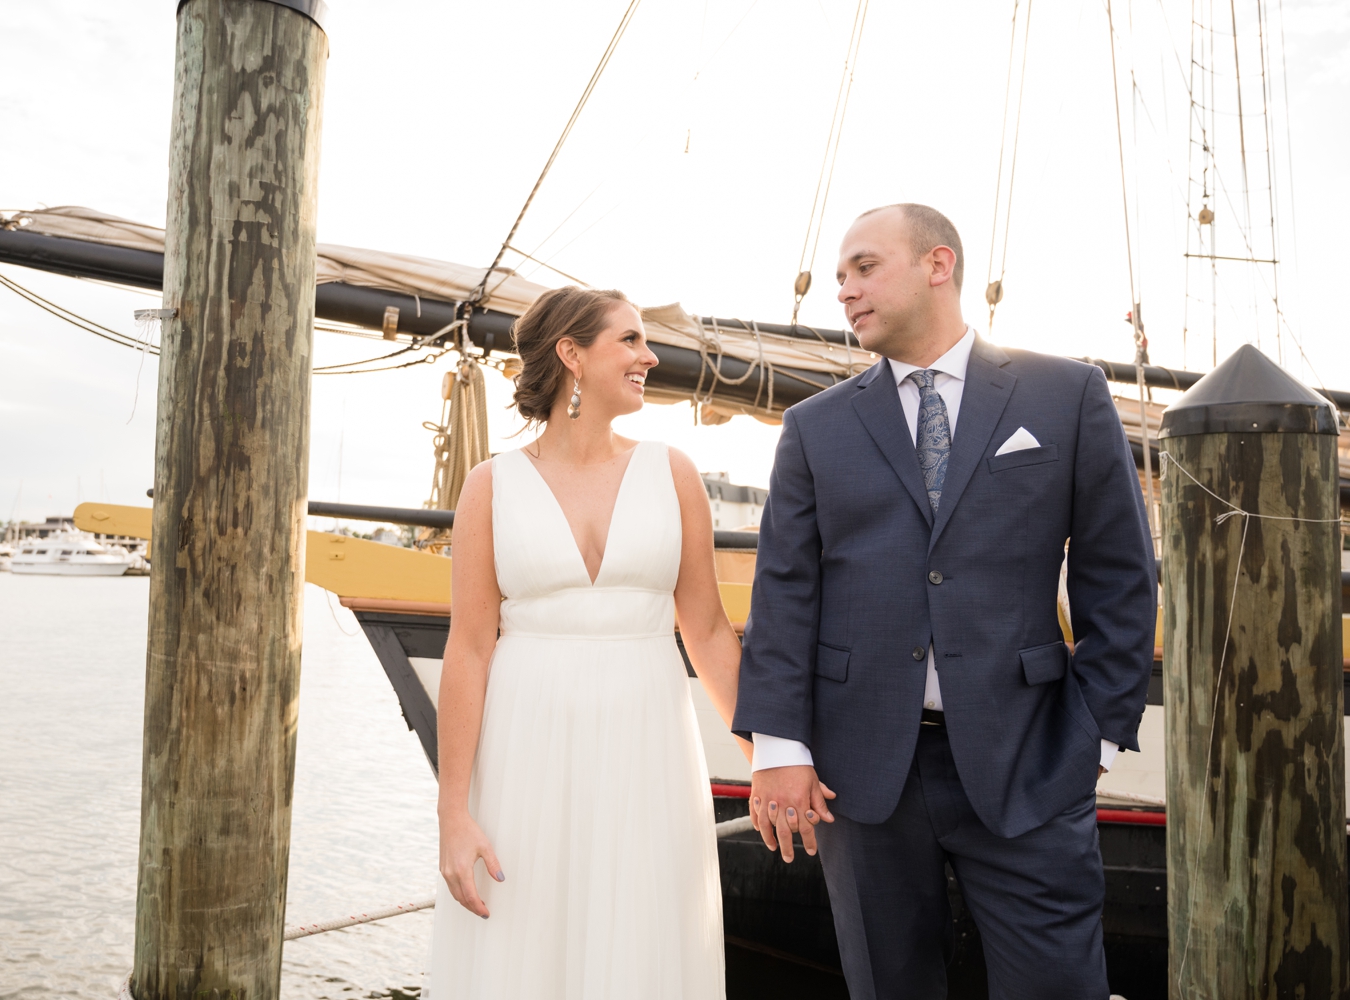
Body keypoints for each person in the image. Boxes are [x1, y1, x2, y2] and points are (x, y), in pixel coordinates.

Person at [733, 204, 1156, 999]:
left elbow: (1121, 576)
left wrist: (1095, 738)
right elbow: (786, 593)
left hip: (1031, 758)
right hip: (858, 777)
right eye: (838, 279)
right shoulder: (814, 428)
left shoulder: (1066, 395)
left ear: (938, 264)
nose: (845, 292)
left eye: (864, 268)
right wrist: (778, 748)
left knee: (1058, 988)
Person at [430, 286, 747, 999]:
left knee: (645, 942)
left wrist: (769, 761)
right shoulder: (489, 486)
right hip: (524, 756)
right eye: (629, 340)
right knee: (523, 945)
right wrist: (453, 812)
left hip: (649, 751)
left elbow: (706, 632)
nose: (649, 354)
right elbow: (470, 650)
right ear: (572, 355)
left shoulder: (673, 472)